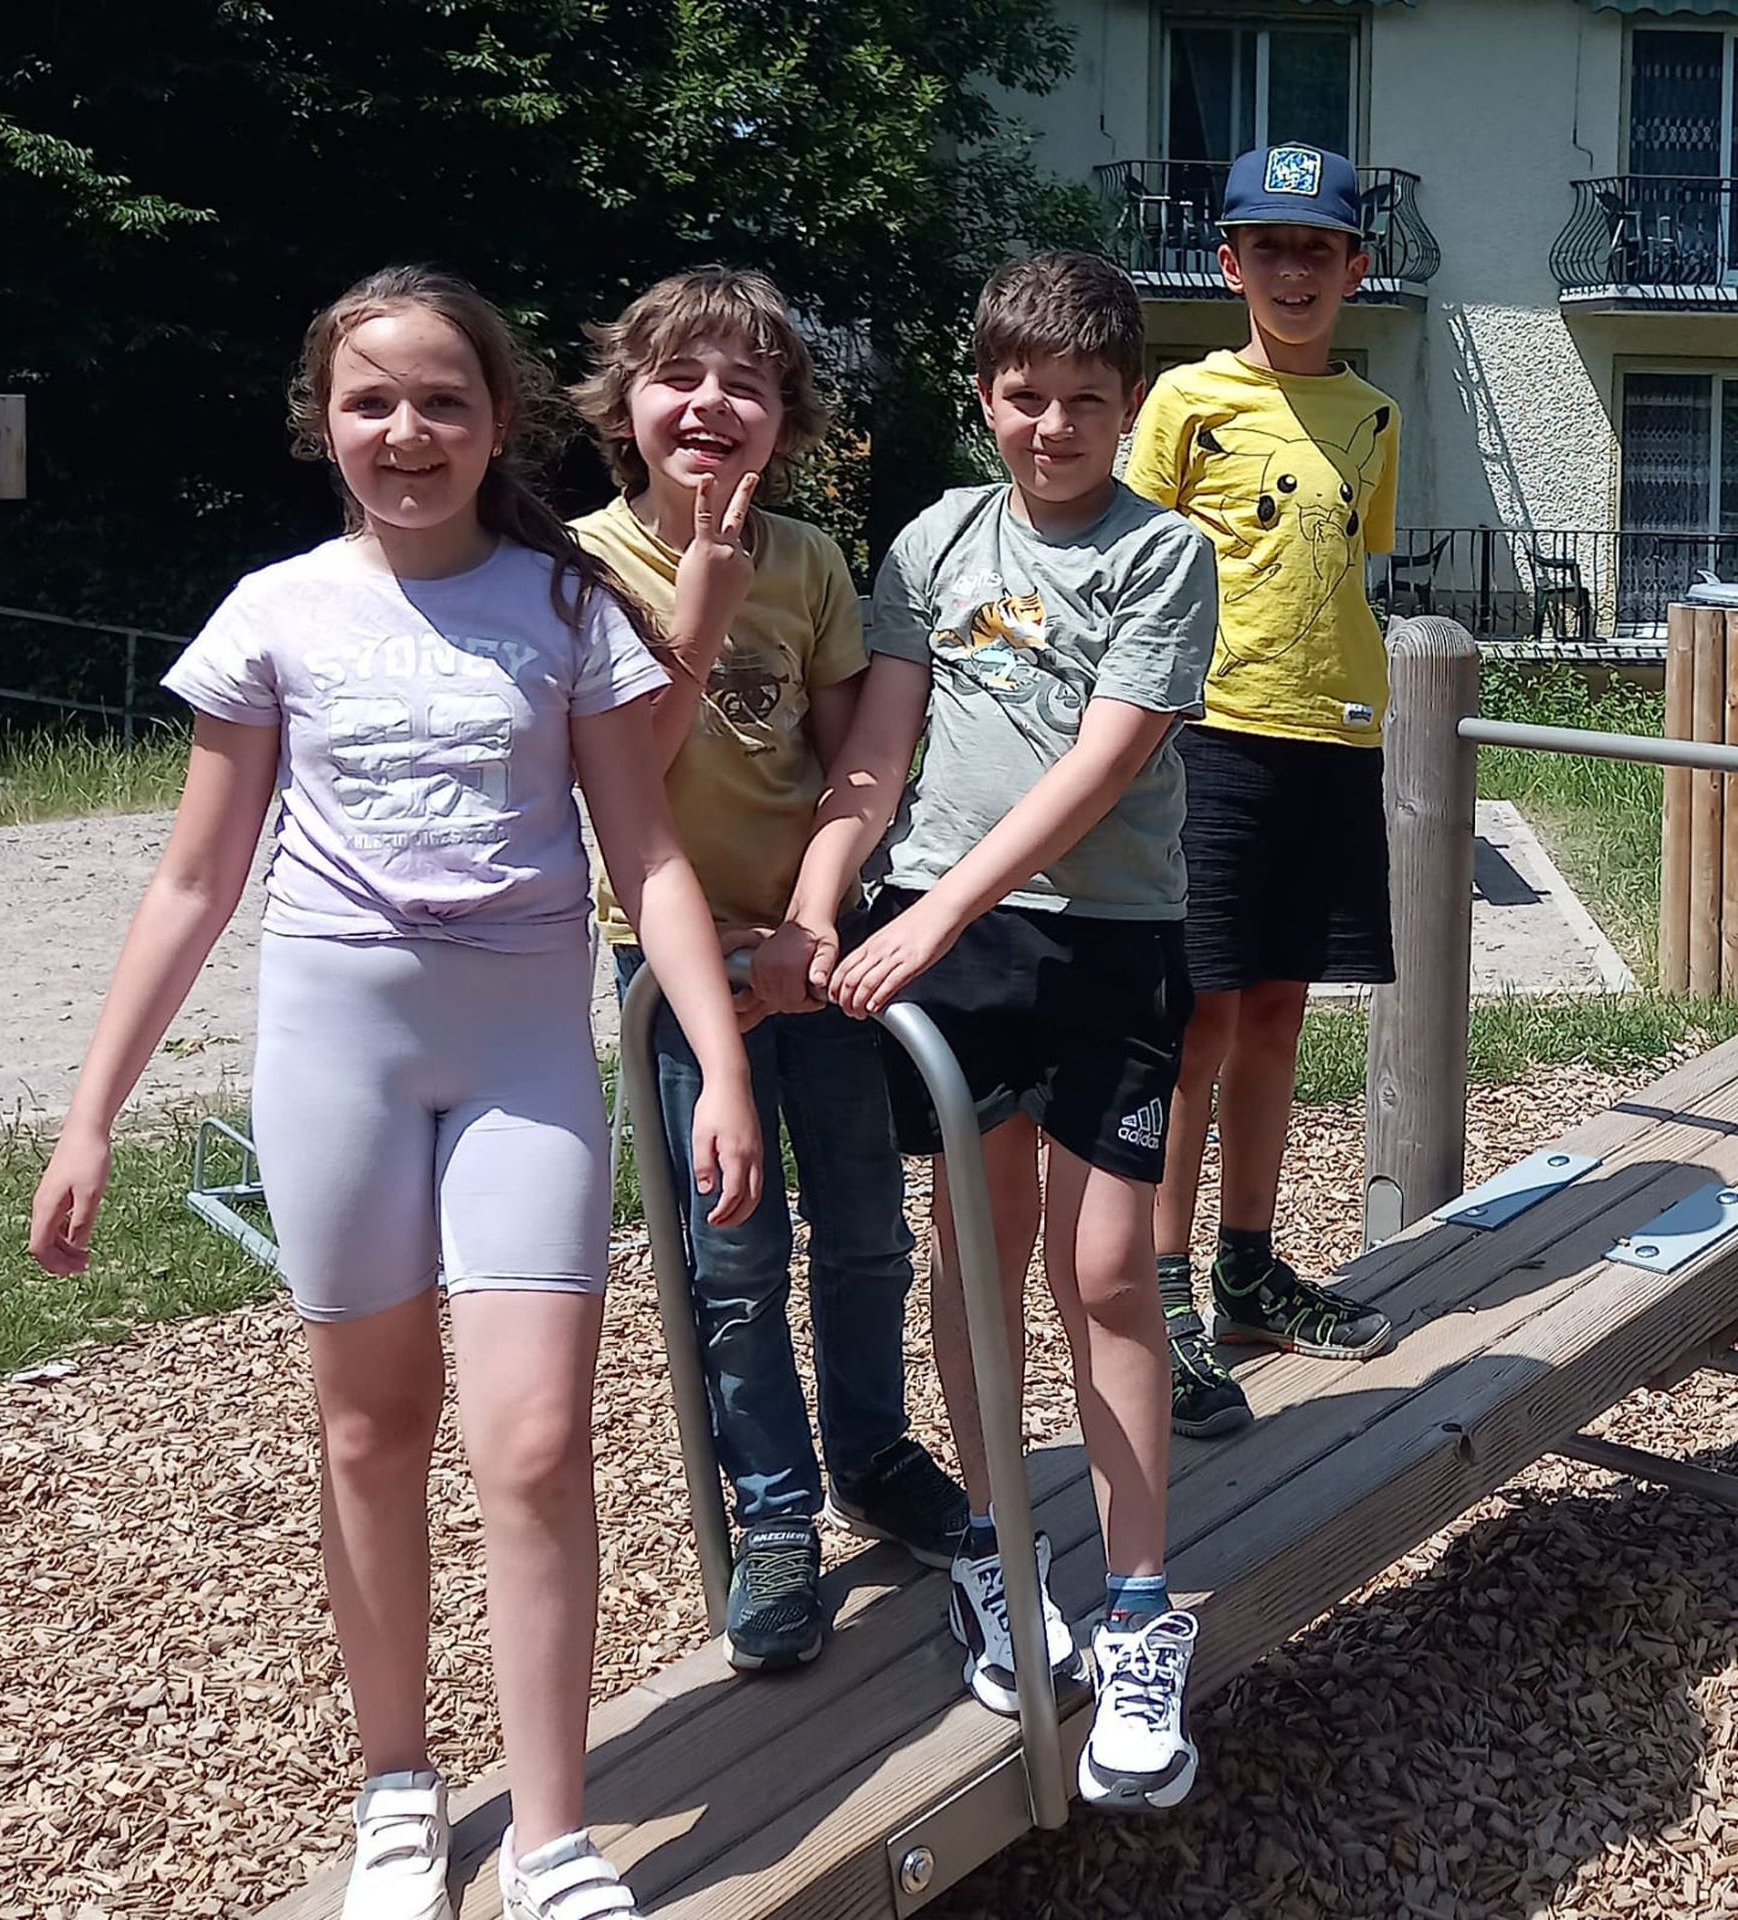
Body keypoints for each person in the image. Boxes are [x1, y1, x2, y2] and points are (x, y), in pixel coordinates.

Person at [29, 265, 761, 1920]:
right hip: (335, 1048)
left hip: (519, 1058)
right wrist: (92, 1118)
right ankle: (396, 1792)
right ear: (323, 425)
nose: (408, 432)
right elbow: (192, 885)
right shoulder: (276, 612)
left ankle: (556, 1839)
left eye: (444, 401)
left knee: (536, 1437)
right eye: (373, 402)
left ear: (499, 421)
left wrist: (717, 1063)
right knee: (370, 1429)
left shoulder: (564, 607)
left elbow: (641, 853)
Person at [757, 251, 1216, 1811]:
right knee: (977, 1250)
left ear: (1130, 405)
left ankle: (1142, 1609)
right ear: (985, 397)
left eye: (1088, 401)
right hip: (943, 941)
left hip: (1103, 939)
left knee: (1105, 1269)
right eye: (1027, 400)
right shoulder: (936, 540)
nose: (1054, 428)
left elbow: (1102, 768)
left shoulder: (1168, 555)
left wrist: (931, 914)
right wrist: (832, 889)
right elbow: (878, 745)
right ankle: (1007, 1557)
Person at [569, 267, 967, 1673]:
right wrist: (699, 599)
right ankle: (776, 1511)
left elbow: (861, 755)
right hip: (678, 972)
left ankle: (870, 1449)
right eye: (681, 374)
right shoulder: (581, 565)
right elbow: (627, 775)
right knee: (731, 1257)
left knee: (866, 1225)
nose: (712, 403)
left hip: (815, 949)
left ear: (784, 416)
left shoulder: (805, 562)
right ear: (627, 399)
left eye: (747, 380)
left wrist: (815, 916)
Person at [1126, 144, 1402, 1443]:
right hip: (1213, 739)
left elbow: (1353, 564)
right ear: (1230, 262)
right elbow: (1132, 570)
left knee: (1283, 1013)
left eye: (1319, 250)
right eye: (1269, 248)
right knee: (1200, 1024)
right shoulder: (1186, 400)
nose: (1294, 272)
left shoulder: (1373, 415)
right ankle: (1163, 1288)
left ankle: (1247, 1267)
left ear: (1356, 267)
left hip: (1334, 739)